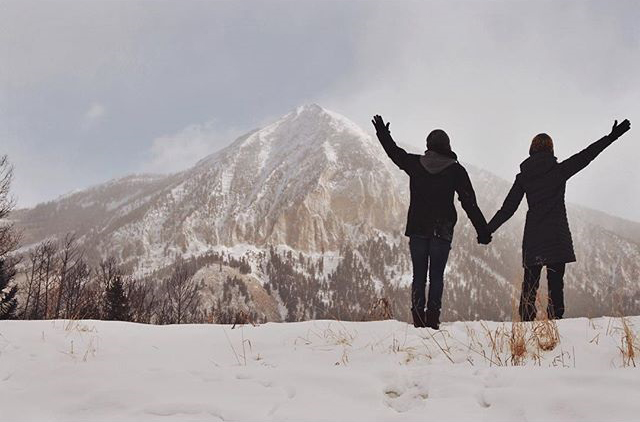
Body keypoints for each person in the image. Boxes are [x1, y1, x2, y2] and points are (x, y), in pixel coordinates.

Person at [487, 119, 631, 321]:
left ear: (531, 150)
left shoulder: (523, 177)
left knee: (529, 283)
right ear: (551, 150)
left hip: (534, 236)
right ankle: (556, 324)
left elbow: (507, 209)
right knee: (556, 284)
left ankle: (526, 325)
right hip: (557, 235)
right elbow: (587, 155)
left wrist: (487, 230)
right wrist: (611, 137)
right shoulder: (559, 171)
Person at [372, 115, 491, 329]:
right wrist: (482, 231)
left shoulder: (415, 164)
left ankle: (418, 319)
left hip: (417, 228)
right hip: (442, 230)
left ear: (428, 146)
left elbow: (394, 153)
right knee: (436, 276)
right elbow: (469, 203)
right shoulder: (456, 170)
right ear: (447, 146)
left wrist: (383, 133)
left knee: (419, 275)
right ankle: (433, 319)